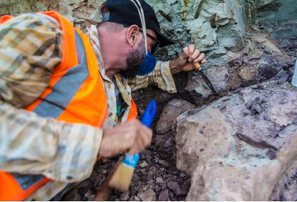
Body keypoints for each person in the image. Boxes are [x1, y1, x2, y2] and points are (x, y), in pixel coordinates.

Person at [0, 0, 206, 200]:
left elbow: (143, 78)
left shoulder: (116, 83)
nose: (150, 56)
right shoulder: (51, 35)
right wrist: (97, 143)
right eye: (151, 46)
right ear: (133, 35)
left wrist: (177, 65)